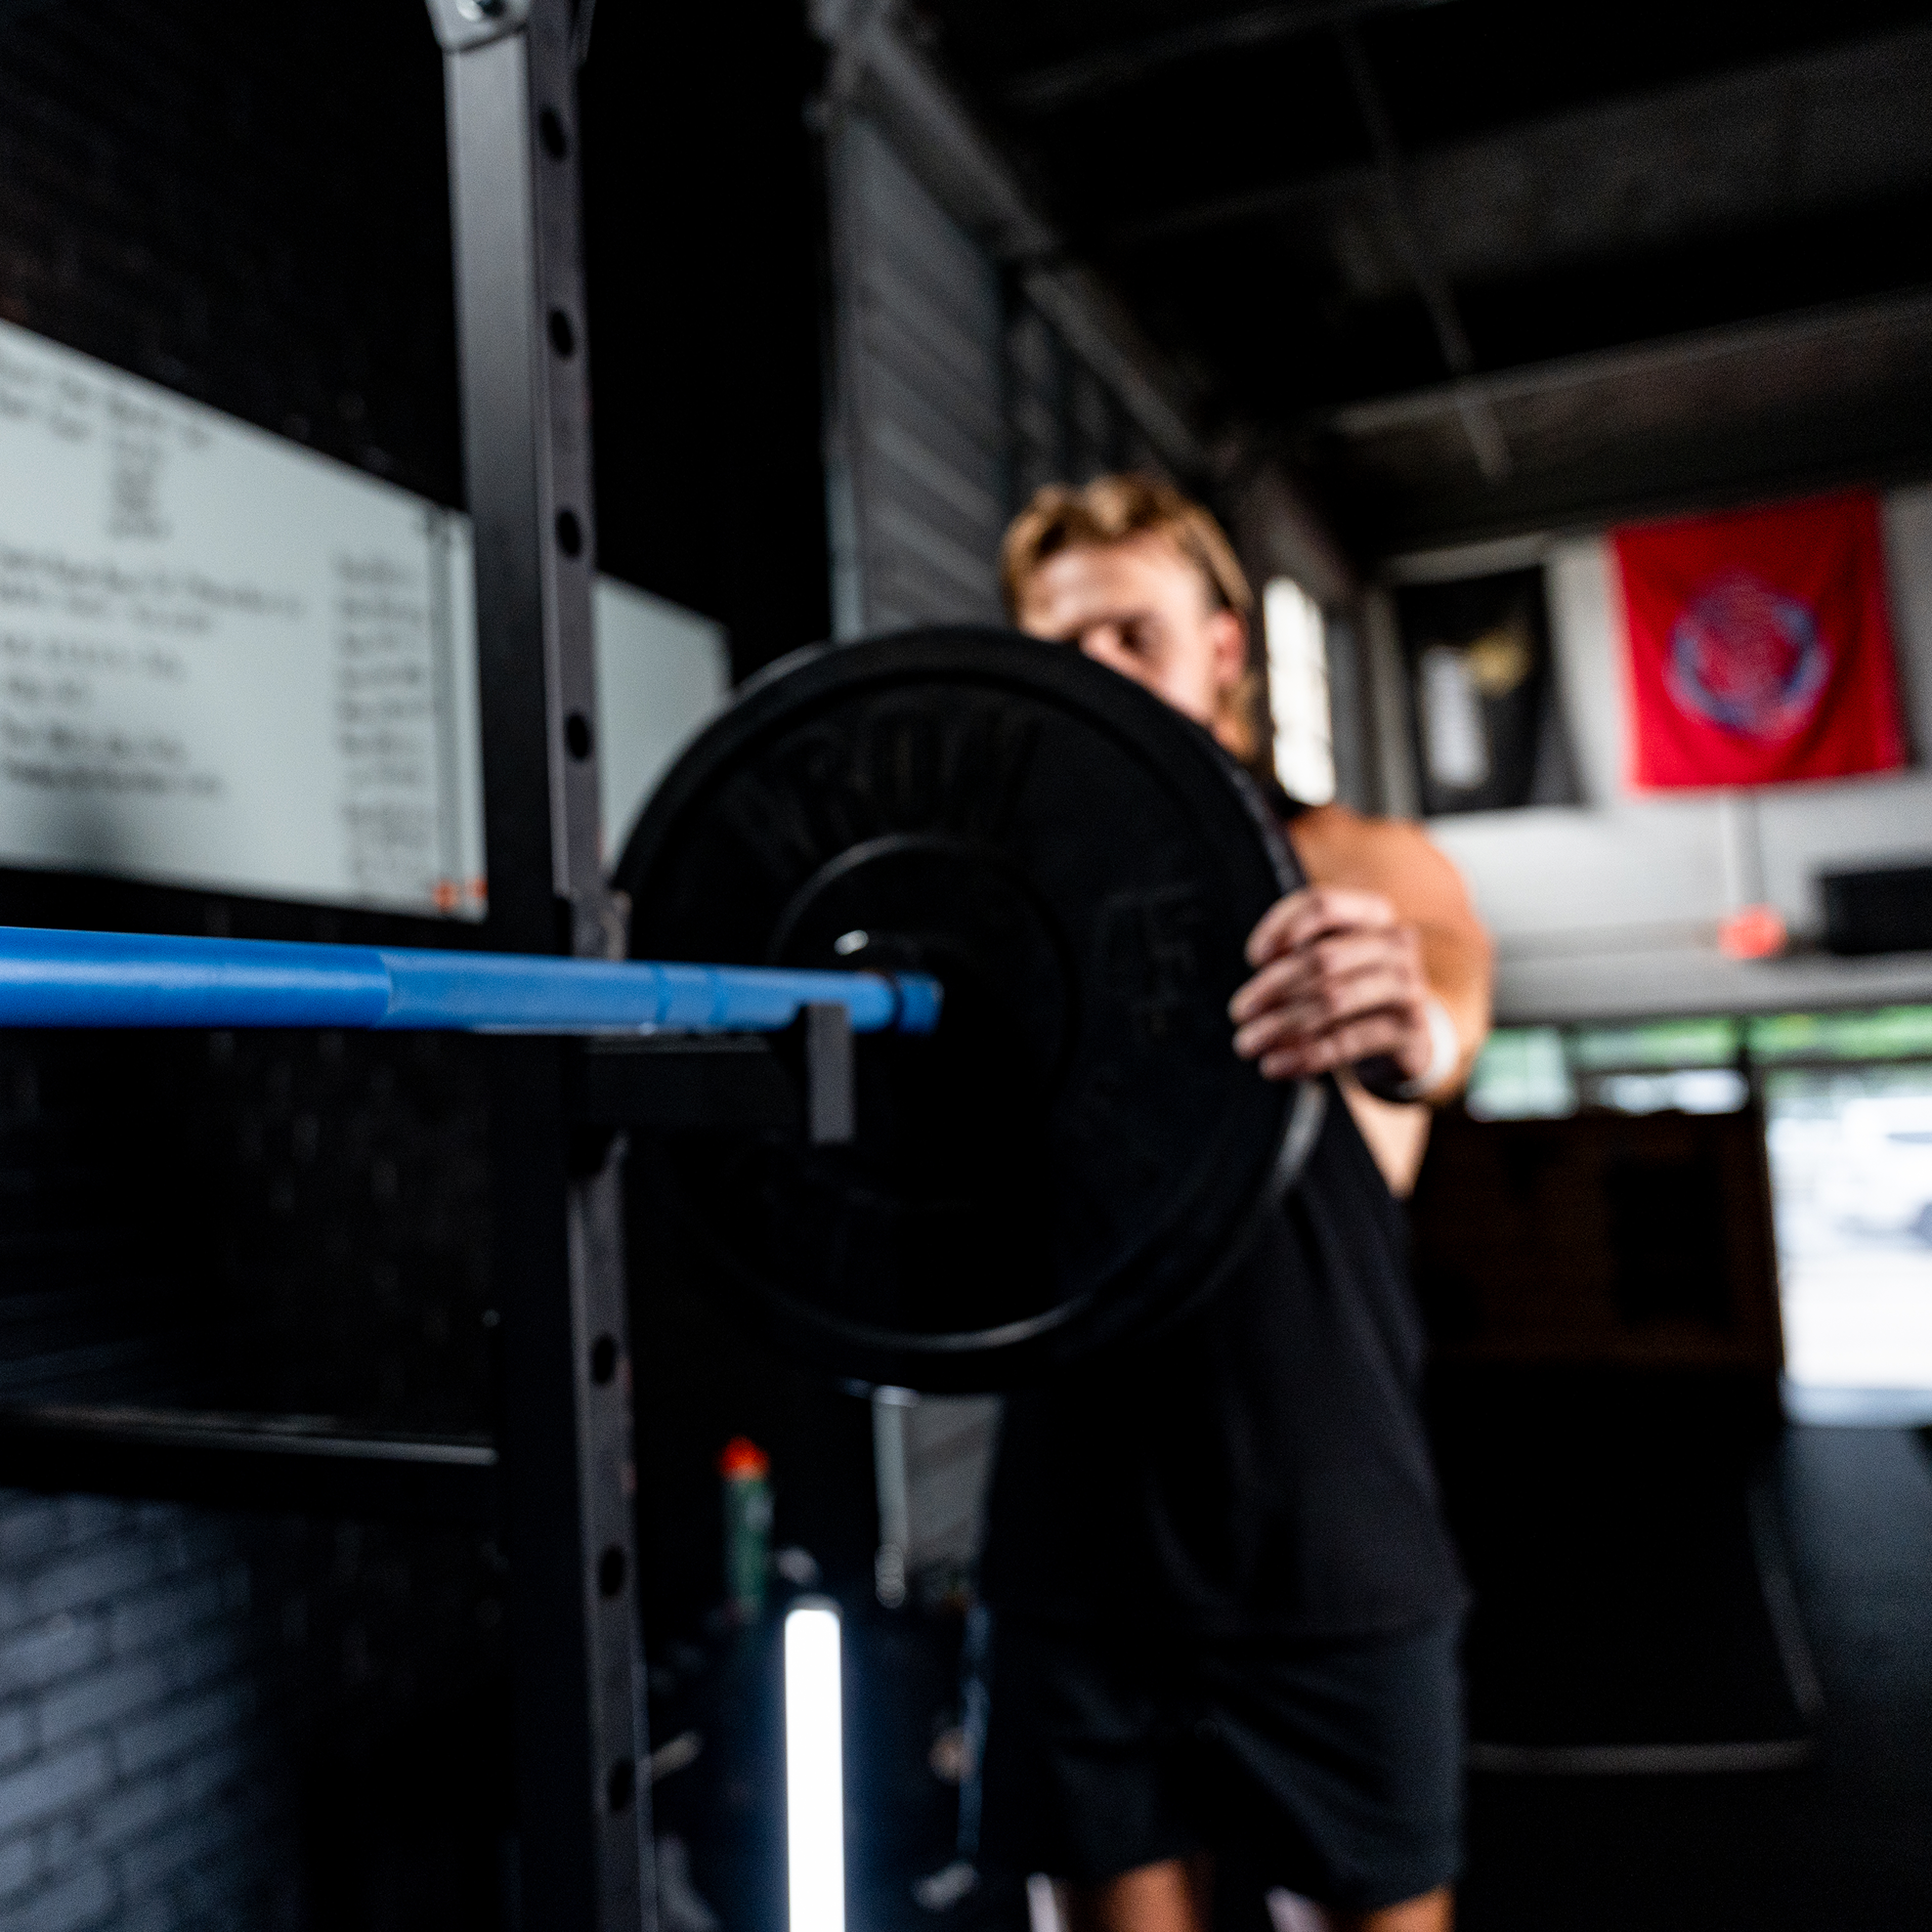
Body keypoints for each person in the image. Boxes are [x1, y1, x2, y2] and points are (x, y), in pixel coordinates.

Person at [974, 476, 1493, 1932]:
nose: (1100, 676)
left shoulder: (1354, 869)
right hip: (1076, 1550)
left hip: (1327, 1546)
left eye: (1134, 635)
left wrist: (1411, 1025)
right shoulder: (1005, 921)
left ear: (1223, 652)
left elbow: (1445, 999)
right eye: (1063, 648)